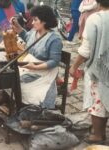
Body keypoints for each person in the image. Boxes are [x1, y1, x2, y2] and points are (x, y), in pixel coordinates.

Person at [0, 5, 63, 109]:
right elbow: (26, 36)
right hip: (29, 67)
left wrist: (35, 67)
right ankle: (11, 101)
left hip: (43, 72)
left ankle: (22, 106)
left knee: (18, 83)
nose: (32, 22)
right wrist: (18, 26)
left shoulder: (54, 39)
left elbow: (54, 61)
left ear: (44, 21)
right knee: (9, 77)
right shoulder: (34, 32)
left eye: (35, 20)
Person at [69, 0, 109, 143]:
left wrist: (74, 66)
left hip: (100, 68)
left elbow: (86, 49)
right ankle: (101, 132)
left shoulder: (95, 18)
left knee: (98, 101)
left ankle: (97, 135)